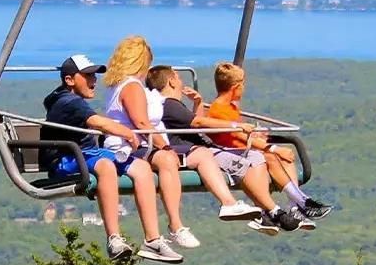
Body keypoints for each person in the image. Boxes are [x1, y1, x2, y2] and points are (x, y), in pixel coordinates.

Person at [102, 36, 259, 249]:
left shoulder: (129, 86)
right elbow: (141, 122)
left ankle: (228, 203)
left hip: (143, 143)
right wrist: (163, 145)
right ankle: (174, 226)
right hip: (132, 146)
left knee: (202, 154)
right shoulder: (131, 86)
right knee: (168, 159)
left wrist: (193, 103)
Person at [40, 54, 183, 263]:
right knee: (106, 166)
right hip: (66, 158)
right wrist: (128, 133)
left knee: (142, 168)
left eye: (94, 76)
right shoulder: (67, 101)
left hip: (87, 154)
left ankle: (152, 239)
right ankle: (114, 238)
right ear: (70, 80)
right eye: (87, 76)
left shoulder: (72, 101)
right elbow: (99, 123)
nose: (93, 81)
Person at [146, 65, 306, 235]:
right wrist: (237, 126)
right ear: (171, 81)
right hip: (197, 152)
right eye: (177, 77)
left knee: (256, 158)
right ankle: (273, 210)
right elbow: (198, 123)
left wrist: (198, 103)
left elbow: (194, 124)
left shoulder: (174, 106)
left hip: (205, 148)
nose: (181, 80)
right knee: (249, 163)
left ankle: (274, 209)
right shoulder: (169, 105)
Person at [207, 62, 334, 222]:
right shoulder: (218, 110)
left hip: (241, 150)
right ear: (236, 87)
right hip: (230, 153)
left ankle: (295, 207)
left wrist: (261, 138)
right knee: (273, 156)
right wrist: (273, 148)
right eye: (243, 85)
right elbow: (240, 137)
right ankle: (302, 203)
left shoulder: (230, 108)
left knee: (285, 157)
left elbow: (243, 136)